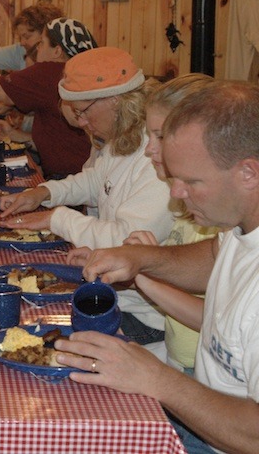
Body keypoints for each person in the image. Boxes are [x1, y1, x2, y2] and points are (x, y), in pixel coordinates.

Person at [57, 80, 259, 454]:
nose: (176, 193)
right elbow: (215, 257)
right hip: (202, 418)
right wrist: (144, 260)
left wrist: (157, 380)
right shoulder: (240, 228)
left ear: (248, 173)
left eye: (190, 181)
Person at [0, 47, 173, 344]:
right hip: (115, 297)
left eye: (83, 111)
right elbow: (96, 181)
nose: (79, 122)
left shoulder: (156, 158)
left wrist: (58, 218)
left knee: (30, 329)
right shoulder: (124, 135)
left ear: (116, 100)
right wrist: (44, 192)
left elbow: (124, 243)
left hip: (144, 318)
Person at [122, 73, 221, 372]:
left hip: (200, 367)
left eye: (160, 136)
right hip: (179, 356)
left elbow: (215, 321)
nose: (149, 149)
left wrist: (147, 274)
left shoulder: (219, 215)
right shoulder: (185, 200)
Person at [0, 17, 97, 179]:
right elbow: (59, 138)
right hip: (86, 172)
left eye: (42, 42)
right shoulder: (74, 74)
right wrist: (15, 135)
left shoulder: (50, 70)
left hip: (72, 179)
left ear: (57, 51)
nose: (38, 47)